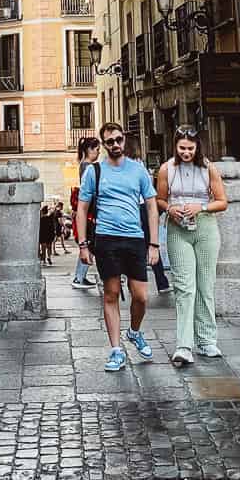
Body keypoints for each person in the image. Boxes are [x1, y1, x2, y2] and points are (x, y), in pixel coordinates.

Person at [76, 122, 160, 373]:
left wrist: (154, 244)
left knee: (141, 296)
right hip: (106, 238)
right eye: (109, 141)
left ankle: (134, 332)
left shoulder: (138, 170)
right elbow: (81, 208)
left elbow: (152, 206)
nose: (115, 145)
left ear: (125, 140)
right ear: (103, 145)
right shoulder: (94, 171)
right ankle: (115, 350)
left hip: (134, 238)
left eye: (118, 139)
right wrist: (82, 245)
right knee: (111, 293)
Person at [156, 126, 229, 366]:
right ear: (175, 146)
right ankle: (184, 345)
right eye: (182, 148)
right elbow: (160, 199)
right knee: (184, 287)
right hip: (177, 229)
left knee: (205, 285)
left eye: (190, 148)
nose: (186, 152)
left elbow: (222, 202)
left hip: (205, 226)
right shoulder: (167, 169)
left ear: (197, 147)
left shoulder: (209, 168)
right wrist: (170, 209)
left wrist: (202, 207)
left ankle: (207, 340)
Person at [70, 137, 101, 289]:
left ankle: (80, 277)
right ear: (89, 150)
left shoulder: (84, 165)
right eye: (96, 149)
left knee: (90, 244)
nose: (99, 152)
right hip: (90, 212)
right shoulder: (88, 167)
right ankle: (79, 277)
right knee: (90, 243)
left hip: (88, 211)